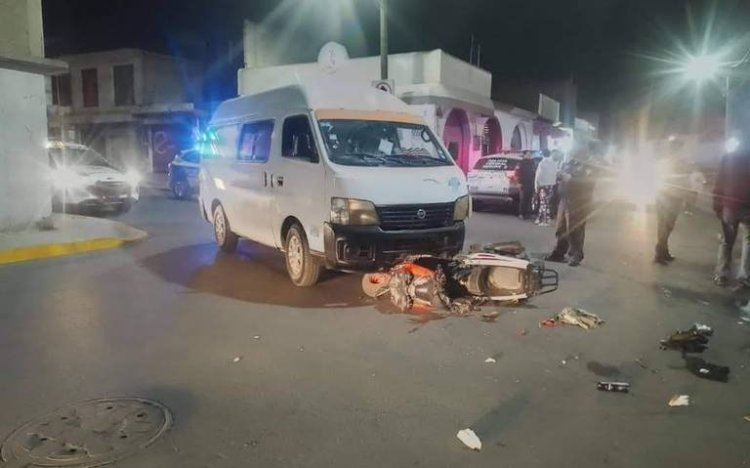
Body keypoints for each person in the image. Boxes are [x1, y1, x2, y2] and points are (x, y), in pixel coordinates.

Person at [546, 150, 598, 267]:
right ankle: (558, 253)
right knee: (561, 229)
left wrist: (571, 178)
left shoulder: (589, 167)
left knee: (574, 229)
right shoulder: (569, 164)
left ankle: (576, 255)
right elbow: (561, 177)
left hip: (578, 202)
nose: (572, 156)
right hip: (565, 200)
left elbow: (588, 183)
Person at [713, 148, 750, 288]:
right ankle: (745, 276)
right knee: (748, 241)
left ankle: (722, 274)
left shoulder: (728, 158)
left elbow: (719, 181)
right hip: (748, 207)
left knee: (726, 241)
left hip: (730, 205)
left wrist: (716, 204)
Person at [654, 154, 688, 265]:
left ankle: (663, 251)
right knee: (666, 226)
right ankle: (660, 252)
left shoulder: (666, 163)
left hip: (665, 197)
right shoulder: (673, 164)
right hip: (669, 198)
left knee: (665, 226)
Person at [534, 150, 558, 226]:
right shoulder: (554, 164)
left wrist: (536, 185)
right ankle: (540, 219)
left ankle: (545, 220)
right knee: (546, 202)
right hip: (551, 185)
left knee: (543, 203)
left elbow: (538, 175)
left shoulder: (542, 163)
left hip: (542, 185)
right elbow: (555, 174)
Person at [517, 151, 536, 219]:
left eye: (530, 154)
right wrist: (519, 182)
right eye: (528, 154)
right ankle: (521, 213)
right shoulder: (521, 163)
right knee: (523, 199)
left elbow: (534, 172)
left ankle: (529, 213)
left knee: (530, 199)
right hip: (523, 183)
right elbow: (518, 173)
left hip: (531, 183)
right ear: (524, 155)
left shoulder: (532, 162)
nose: (529, 155)